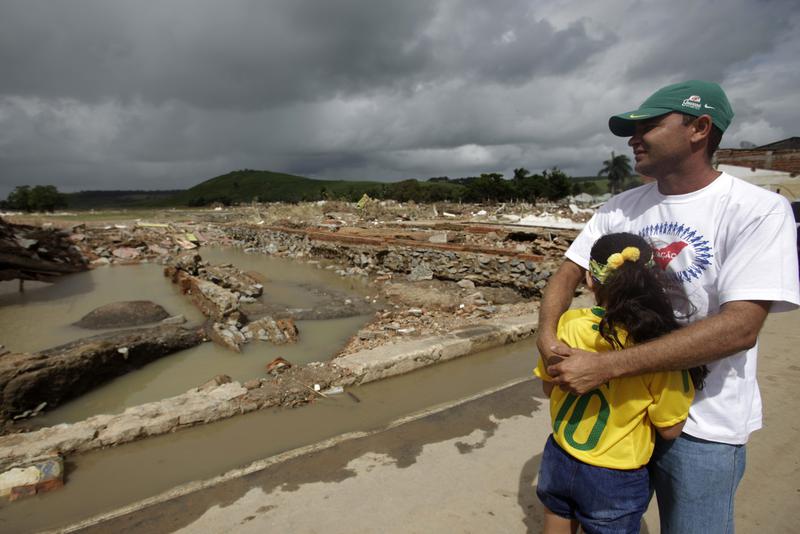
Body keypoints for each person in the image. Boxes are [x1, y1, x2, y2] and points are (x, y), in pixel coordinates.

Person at [536, 80, 800, 533]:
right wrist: (546, 337)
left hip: (702, 425)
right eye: (631, 129)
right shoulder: (620, 208)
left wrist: (607, 367)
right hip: (620, 414)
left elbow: (739, 328)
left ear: (699, 128)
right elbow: (567, 273)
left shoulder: (756, 210)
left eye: (649, 125)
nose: (633, 138)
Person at [535, 232, 705, 534]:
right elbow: (669, 428)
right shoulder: (657, 347)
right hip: (614, 472)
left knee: (555, 518)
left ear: (589, 279)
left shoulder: (569, 324)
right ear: (653, 278)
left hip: (560, 454)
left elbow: (549, 387)